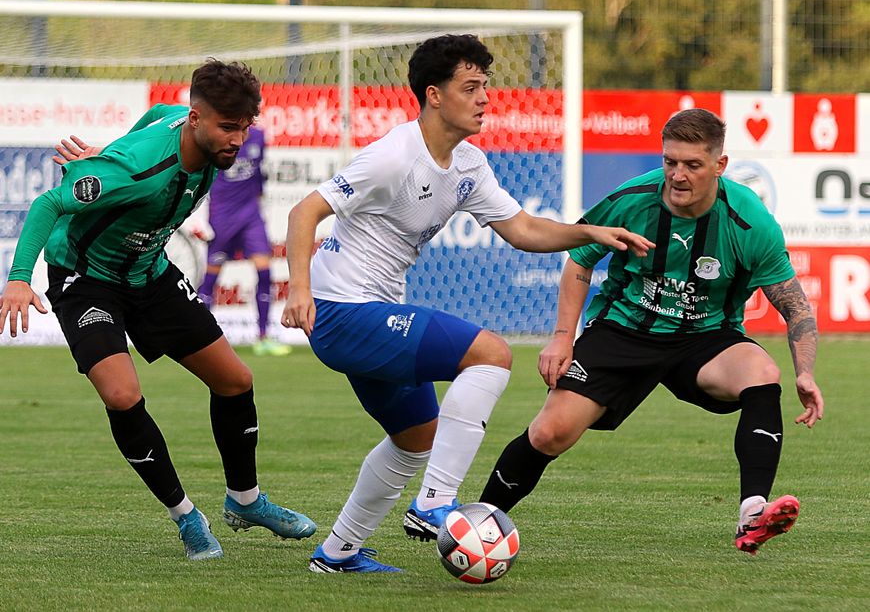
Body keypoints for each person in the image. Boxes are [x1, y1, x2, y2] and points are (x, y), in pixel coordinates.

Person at [282, 34, 655, 573]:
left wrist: (591, 232)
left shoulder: (469, 164)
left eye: (486, 86)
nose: (485, 98)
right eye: (471, 87)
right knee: (492, 353)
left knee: (415, 440)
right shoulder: (394, 155)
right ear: (434, 95)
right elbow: (303, 212)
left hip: (363, 313)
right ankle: (435, 504)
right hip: (341, 310)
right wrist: (299, 289)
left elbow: (522, 228)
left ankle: (337, 554)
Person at [0, 59, 316, 561]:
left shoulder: (184, 126)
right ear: (197, 119)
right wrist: (18, 280)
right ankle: (187, 517)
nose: (237, 139)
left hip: (150, 274)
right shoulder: (139, 170)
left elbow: (156, 112)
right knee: (122, 394)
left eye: (245, 126)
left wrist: (114, 147)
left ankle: (246, 501)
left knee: (235, 380)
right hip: (87, 282)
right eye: (228, 127)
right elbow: (47, 205)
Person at [478, 108, 825, 555]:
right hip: (624, 328)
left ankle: (753, 511)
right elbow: (580, 258)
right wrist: (563, 336)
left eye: (692, 165)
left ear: (719, 165)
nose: (678, 175)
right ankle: (478, 522)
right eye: (670, 162)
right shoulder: (633, 198)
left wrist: (806, 371)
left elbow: (794, 305)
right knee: (551, 433)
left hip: (704, 337)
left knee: (761, 371)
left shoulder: (749, 221)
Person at [196, 125, 291, 357]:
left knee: (265, 272)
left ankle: (264, 337)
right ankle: (199, 339)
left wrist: (260, 205)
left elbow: (259, 175)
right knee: (211, 277)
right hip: (222, 217)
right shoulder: (216, 137)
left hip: (251, 216)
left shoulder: (258, 136)